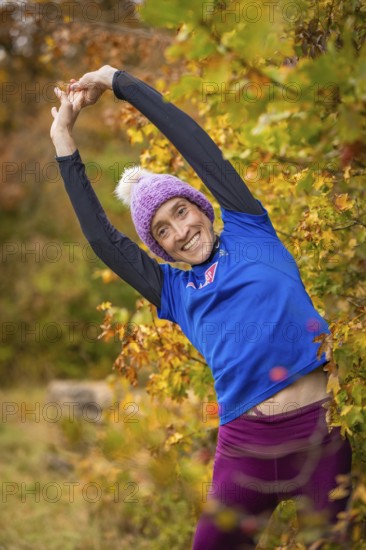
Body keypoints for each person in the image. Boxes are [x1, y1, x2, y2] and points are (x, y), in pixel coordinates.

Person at [50, 65, 352, 549]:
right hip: (244, 450)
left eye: (181, 211)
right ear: (161, 250)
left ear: (201, 206)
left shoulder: (251, 227)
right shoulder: (173, 290)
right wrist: (62, 137)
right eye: (163, 232)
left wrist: (116, 80)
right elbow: (102, 239)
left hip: (318, 435)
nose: (181, 231)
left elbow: (189, 137)